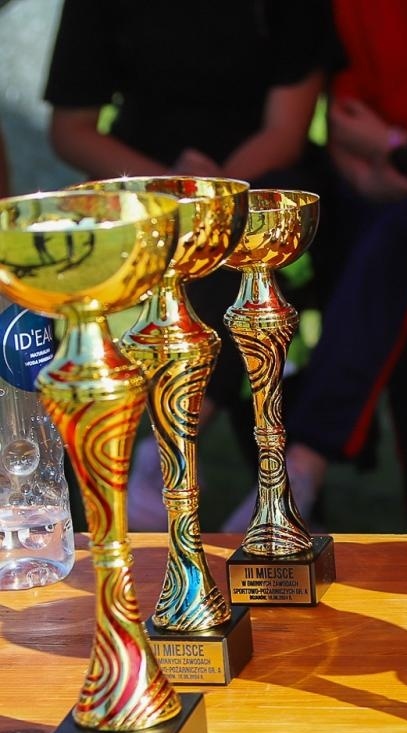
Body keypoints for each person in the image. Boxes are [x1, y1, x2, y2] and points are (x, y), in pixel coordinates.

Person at [42, 0, 332, 531]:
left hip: (263, 184)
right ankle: (218, 468)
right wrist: (170, 192)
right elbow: (70, 129)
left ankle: (181, 452)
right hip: (144, 187)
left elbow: (285, 130)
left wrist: (211, 201)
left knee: (242, 264)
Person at [222, 0, 407, 534]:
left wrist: (397, 145)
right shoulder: (354, 9)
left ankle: (302, 466)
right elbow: (345, 124)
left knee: (395, 250)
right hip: (379, 197)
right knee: (406, 301)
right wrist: (374, 169)